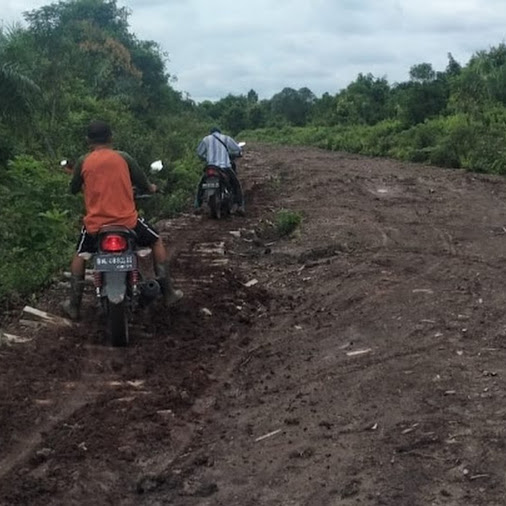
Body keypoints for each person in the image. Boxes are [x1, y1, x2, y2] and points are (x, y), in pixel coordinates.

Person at [62, 120, 183, 320]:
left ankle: (74, 305)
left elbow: (73, 188)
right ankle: (168, 293)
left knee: (80, 253)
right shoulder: (123, 158)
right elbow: (143, 183)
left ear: (88, 140)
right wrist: (151, 188)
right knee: (156, 241)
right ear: (111, 138)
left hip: (96, 226)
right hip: (127, 222)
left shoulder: (84, 161)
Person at [195, 127, 245, 215]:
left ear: (211, 133)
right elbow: (237, 149)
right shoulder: (226, 138)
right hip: (224, 167)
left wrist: (206, 158)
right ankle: (240, 206)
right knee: (236, 184)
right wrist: (238, 153)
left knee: (201, 185)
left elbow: (199, 153)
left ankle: (197, 206)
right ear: (220, 132)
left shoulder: (206, 139)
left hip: (211, 167)